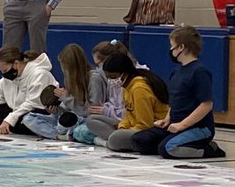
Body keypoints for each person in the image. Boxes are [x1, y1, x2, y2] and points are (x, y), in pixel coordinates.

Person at [129, 25, 224, 158]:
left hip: (198, 127)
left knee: (168, 148)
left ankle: (209, 149)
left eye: (172, 46)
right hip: (174, 124)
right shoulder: (177, 71)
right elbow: (175, 101)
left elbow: (206, 104)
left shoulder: (199, 72)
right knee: (139, 140)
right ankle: (178, 142)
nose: (171, 50)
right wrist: (167, 119)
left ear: (181, 47)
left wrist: (182, 125)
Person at [22, 43, 104, 139]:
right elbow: (68, 110)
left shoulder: (94, 79)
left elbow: (91, 112)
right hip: (68, 118)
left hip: (83, 120)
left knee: (80, 130)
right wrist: (56, 111)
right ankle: (58, 135)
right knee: (29, 118)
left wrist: (66, 97)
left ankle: (62, 132)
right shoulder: (69, 79)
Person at [0, 46, 57, 135]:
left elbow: (32, 103)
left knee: (28, 119)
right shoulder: (9, 77)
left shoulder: (39, 74)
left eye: (5, 70)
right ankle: (12, 127)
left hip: (38, 112)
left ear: (16, 63)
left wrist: (9, 120)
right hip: (17, 112)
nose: (4, 74)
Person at [96, 52, 170, 152]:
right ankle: (115, 140)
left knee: (116, 138)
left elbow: (145, 124)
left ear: (124, 72)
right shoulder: (126, 86)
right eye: (108, 77)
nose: (111, 81)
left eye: (113, 77)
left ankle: (108, 142)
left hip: (150, 130)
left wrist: (125, 131)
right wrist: (122, 126)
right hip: (134, 127)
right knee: (92, 120)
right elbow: (128, 114)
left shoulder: (139, 89)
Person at [73, 39, 129, 145]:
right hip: (116, 121)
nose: (98, 69)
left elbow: (130, 113)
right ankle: (110, 139)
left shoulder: (131, 82)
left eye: (98, 64)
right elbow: (111, 103)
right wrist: (104, 108)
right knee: (84, 127)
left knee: (85, 127)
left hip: (128, 124)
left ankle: (110, 141)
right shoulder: (112, 81)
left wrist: (106, 111)